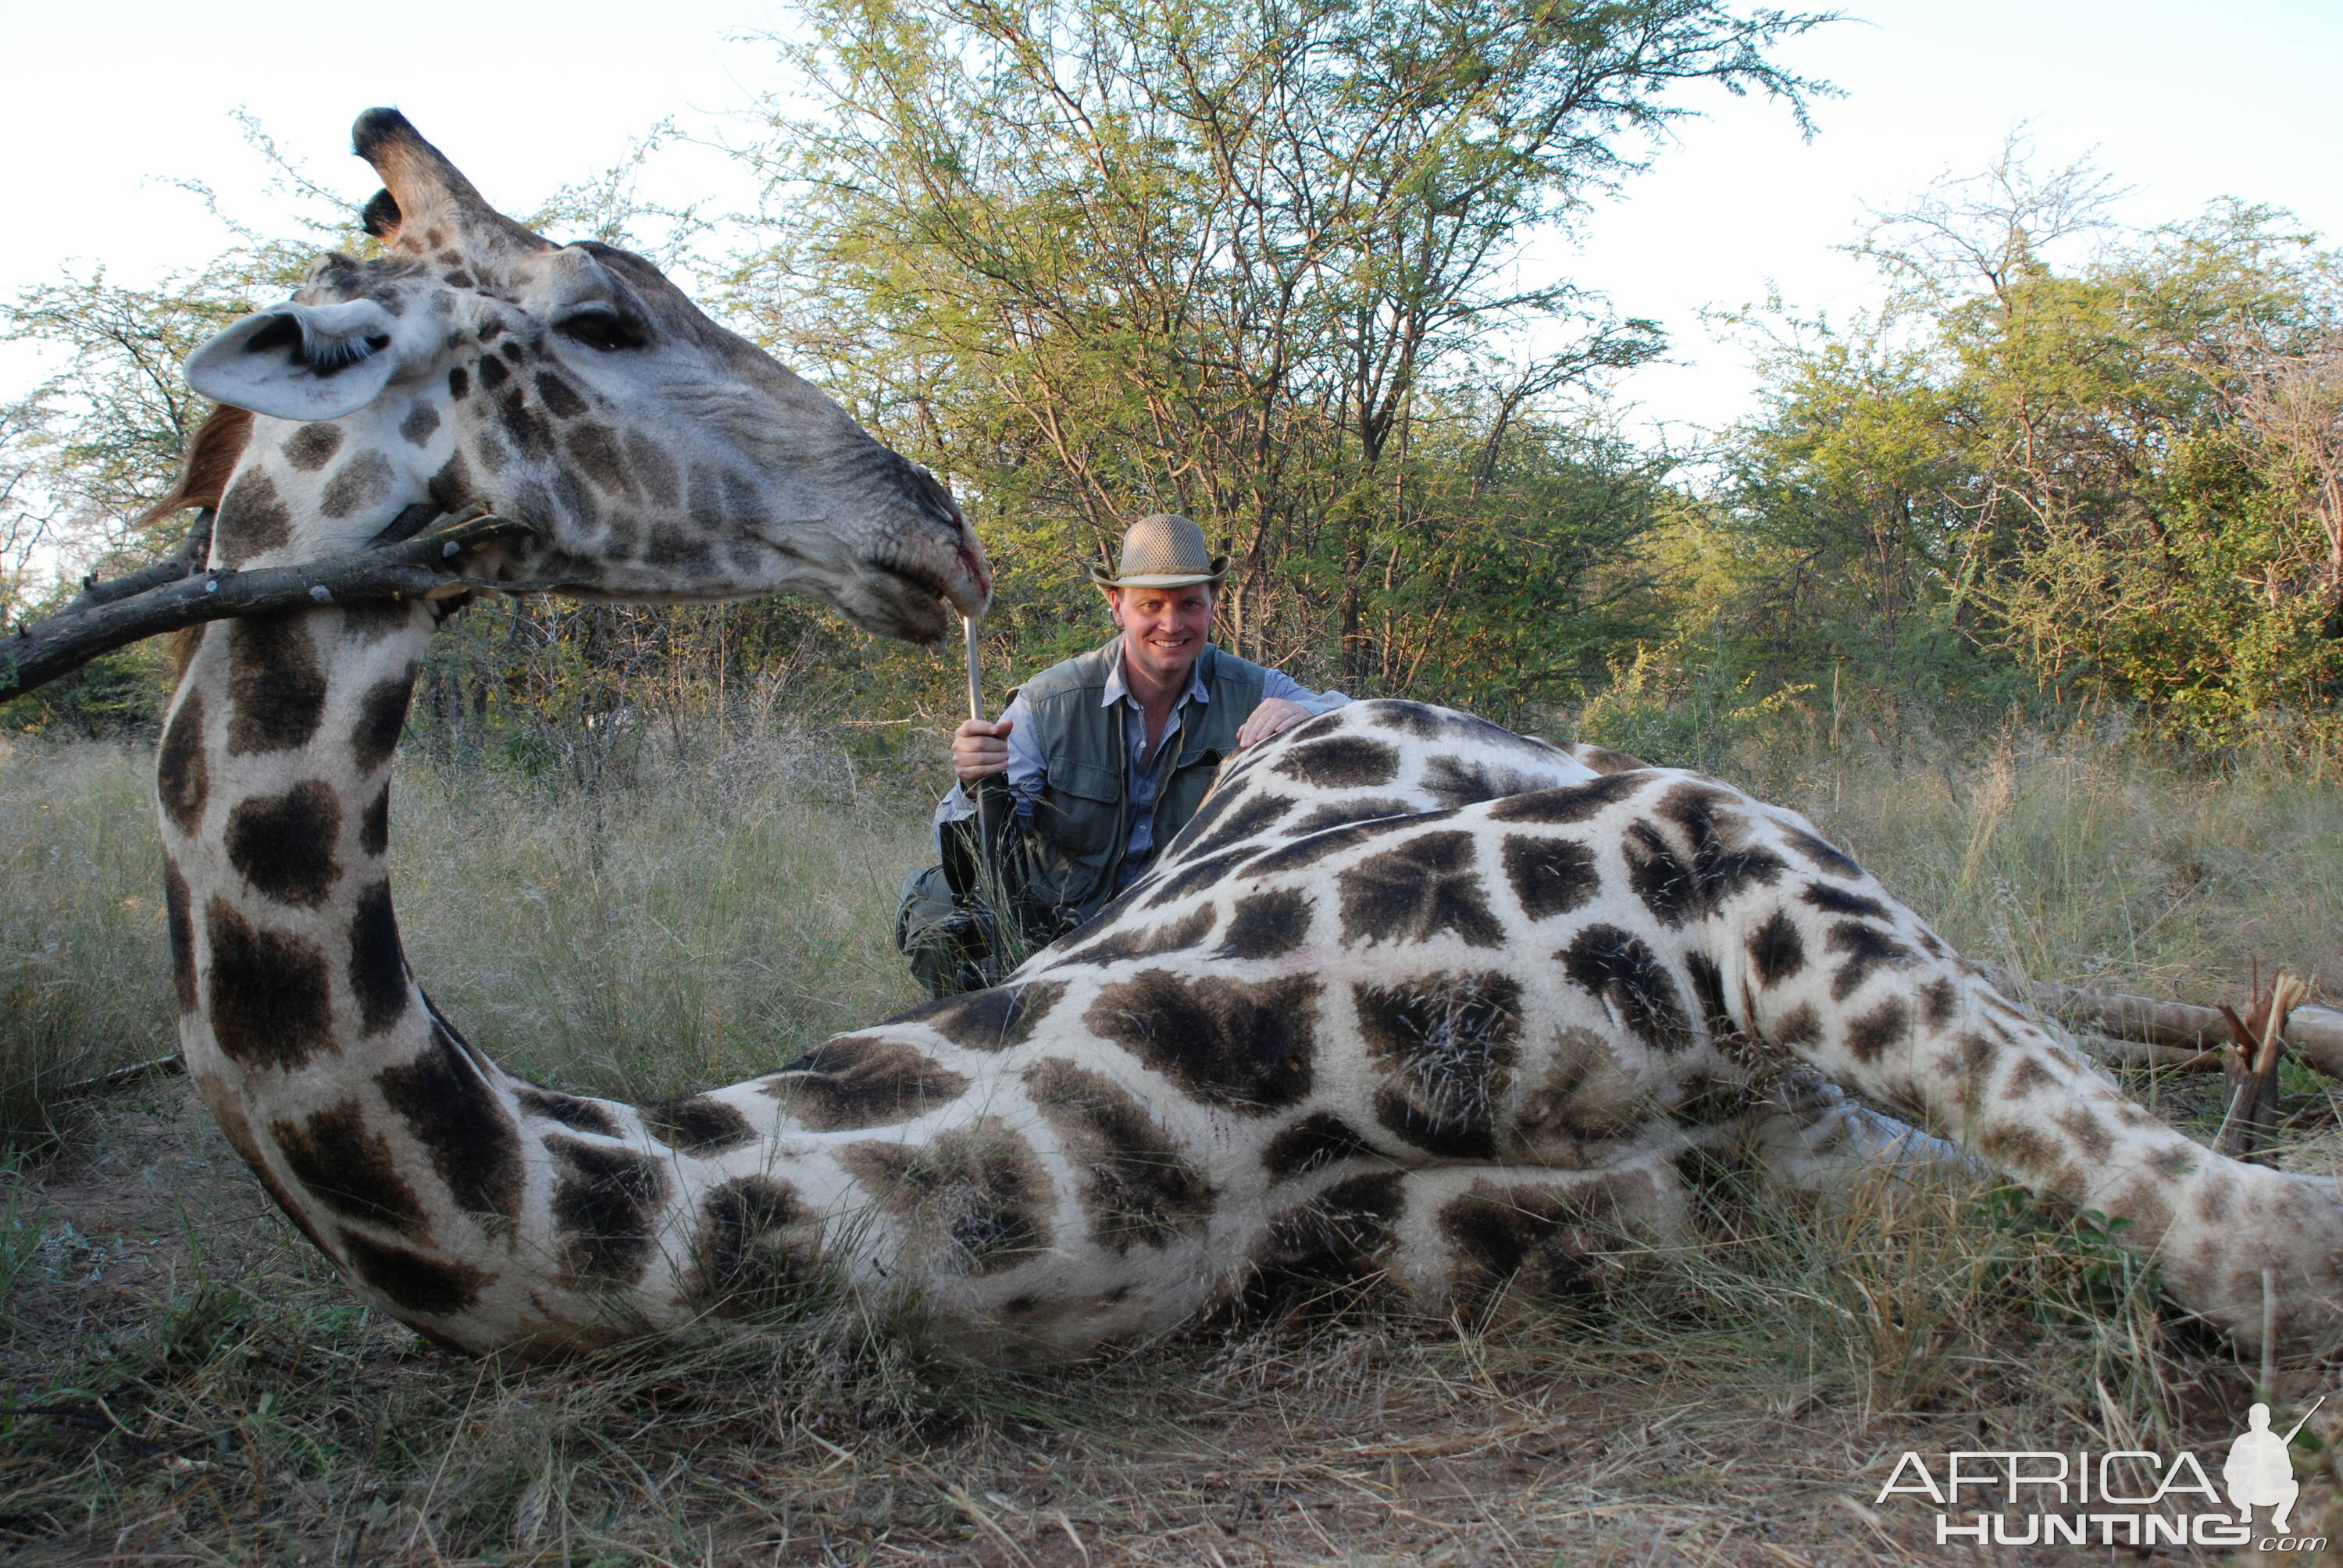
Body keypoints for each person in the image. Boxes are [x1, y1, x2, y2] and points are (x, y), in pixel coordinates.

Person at [896, 513, 1347, 996]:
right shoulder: (1049, 701)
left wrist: (1308, 713)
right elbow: (980, 847)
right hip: (1061, 926)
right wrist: (974, 780)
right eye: (1151, 604)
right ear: (1117, 606)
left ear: (1212, 606)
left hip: (1184, 931)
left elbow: (1366, 716)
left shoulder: (1256, 688)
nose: (1171, 624)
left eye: (1190, 604)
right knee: (938, 913)